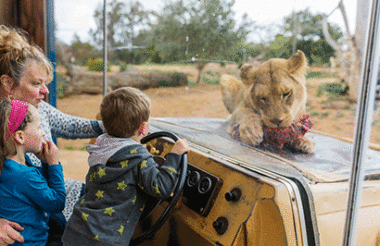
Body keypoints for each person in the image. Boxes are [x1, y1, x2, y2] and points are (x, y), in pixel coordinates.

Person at [0, 25, 104, 245]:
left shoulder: (39, 108)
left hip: (45, 196)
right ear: (8, 83)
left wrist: (113, 126)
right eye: (37, 83)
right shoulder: (6, 124)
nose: (45, 91)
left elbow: (72, 126)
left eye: (45, 83)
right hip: (31, 213)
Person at [61, 87, 190, 246]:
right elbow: (162, 187)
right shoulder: (139, 156)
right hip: (105, 241)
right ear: (144, 128)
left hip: (76, 230)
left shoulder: (101, 146)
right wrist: (175, 155)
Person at [0, 99, 66, 245]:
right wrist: (53, 164)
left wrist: (44, 164)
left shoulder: (9, 165)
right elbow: (57, 203)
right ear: (20, 136)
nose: (42, 133)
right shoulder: (24, 175)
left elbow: (40, 190)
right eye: (38, 127)